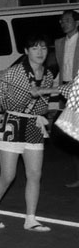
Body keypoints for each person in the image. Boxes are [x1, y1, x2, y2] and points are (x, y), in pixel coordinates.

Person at [0, 33, 55, 232]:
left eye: (43, 48)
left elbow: (44, 103)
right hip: (12, 123)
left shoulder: (48, 75)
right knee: (8, 175)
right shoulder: (14, 72)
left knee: (35, 174)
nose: (40, 52)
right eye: (35, 48)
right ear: (26, 51)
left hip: (34, 125)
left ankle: (30, 219)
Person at [53, 10, 79, 188]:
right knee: (71, 134)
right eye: (62, 21)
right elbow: (61, 68)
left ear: (77, 23)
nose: (64, 23)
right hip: (65, 88)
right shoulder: (59, 43)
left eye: (68, 20)